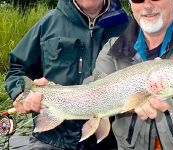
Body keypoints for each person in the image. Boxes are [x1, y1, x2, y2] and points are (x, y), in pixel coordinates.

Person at [87, 0, 173, 149]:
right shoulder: (113, 47)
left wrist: (165, 92)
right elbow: (92, 92)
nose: (147, 6)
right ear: (131, 5)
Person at [4, 0, 129, 149]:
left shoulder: (128, 25)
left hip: (109, 142)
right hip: (51, 139)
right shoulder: (49, 23)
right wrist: (21, 93)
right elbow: (17, 68)